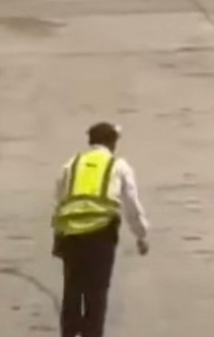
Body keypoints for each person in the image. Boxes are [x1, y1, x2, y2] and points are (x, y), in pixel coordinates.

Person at [52, 122, 150, 337]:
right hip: (101, 234)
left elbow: (60, 200)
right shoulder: (118, 165)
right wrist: (141, 236)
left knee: (72, 289)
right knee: (96, 291)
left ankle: (68, 333)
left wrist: (57, 237)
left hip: (71, 234)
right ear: (113, 142)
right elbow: (131, 204)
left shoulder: (72, 163)